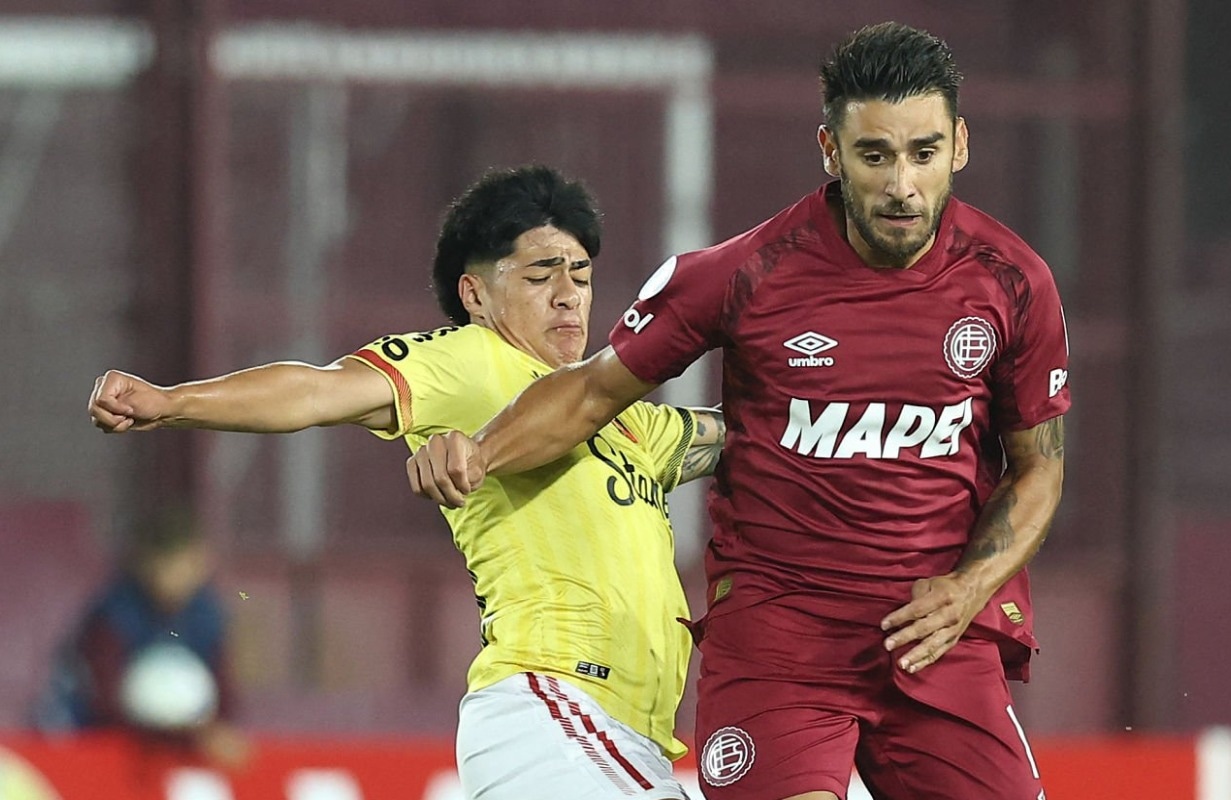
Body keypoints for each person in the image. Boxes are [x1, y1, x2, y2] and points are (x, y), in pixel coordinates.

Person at [407, 23, 1070, 800]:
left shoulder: (1012, 282)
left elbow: (1037, 471)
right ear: (829, 148)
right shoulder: (743, 273)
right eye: (874, 155)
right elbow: (589, 392)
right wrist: (477, 452)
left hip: (932, 633)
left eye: (922, 153)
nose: (901, 185)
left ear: (958, 144)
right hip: (779, 638)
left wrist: (966, 589)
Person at [88, 164, 725, 800]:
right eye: (540, 274)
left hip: (630, 740)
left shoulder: (629, 421)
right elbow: (317, 389)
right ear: (475, 295)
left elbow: (749, 436)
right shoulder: (472, 360)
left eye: (581, 274)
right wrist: (170, 401)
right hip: (552, 709)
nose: (569, 294)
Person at [32, 510, 250, 769]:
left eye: (186, 563)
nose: (175, 576)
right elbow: (105, 700)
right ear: (145, 563)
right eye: (166, 564)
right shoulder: (114, 614)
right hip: (86, 741)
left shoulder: (208, 615)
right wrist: (187, 734)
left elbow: (223, 692)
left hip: (166, 749)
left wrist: (211, 729)